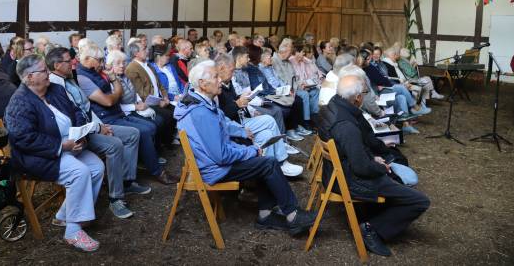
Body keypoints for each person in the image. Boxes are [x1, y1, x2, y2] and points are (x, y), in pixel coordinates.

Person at [174, 61, 316, 234]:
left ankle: (266, 214)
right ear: (202, 84)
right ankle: (292, 215)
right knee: (268, 163)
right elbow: (221, 156)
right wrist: (251, 151)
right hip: (215, 169)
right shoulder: (201, 113)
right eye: (215, 77)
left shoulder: (200, 101)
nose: (220, 80)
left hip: (212, 163)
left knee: (262, 159)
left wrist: (242, 133)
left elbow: (223, 122)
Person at [317, 75, 429, 257]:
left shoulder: (332, 106)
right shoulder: (346, 125)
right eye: (365, 92)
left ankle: (375, 215)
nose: (366, 96)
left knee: (396, 176)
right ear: (358, 98)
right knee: (420, 201)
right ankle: (371, 229)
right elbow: (361, 167)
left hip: (335, 173)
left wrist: (372, 158)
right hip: (349, 180)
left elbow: (354, 151)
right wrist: (380, 167)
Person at [5, 55, 104, 251]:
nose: (49, 73)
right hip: (38, 156)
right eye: (43, 71)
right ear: (29, 77)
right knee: (80, 172)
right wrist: (61, 146)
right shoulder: (19, 102)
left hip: (69, 145)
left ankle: (65, 216)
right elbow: (24, 138)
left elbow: (76, 111)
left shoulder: (55, 89)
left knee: (97, 167)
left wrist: (79, 133)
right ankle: (73, 231)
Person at [46, 47, 150, 219]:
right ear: (57, 65)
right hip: (78, 135)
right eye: (68, 61)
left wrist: (101, 125)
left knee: (132, 133)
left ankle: (126, 180)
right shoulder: (55, 86)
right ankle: (115, 197)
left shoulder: (71, 79)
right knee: (114, 145)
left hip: (93, 125)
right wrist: (97, 128)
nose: (73, 62)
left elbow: (85, 107)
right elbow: (73, 117)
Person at [76, 43, 176, 185]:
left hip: (117, 113)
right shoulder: (83, 78)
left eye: (102, 60)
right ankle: (151, 172)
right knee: (145, 130)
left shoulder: (96, 73)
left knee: (152, 125)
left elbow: (119, 94)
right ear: (87, 59)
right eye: (99, 60)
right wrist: (115, 92)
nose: (101, 64)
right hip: (107, 118)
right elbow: (109, 101)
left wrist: (114, 88)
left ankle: (141, 169)